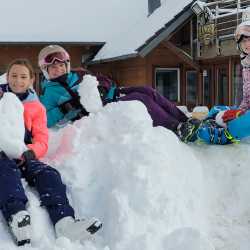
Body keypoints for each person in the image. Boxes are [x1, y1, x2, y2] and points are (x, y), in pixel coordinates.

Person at [0, 59, 102, 246]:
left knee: (48, 174)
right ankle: (16, 216)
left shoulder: (36, 107)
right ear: (7, 77)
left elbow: (41, 140)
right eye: (13, 76)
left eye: (23, 76)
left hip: (24, 153)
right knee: (5, 172)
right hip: (1, 154)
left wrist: (31, 152)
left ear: (31, 80)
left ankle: (64, 223)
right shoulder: (1, 98)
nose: (18, 81)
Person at [38, 45, 200, 143]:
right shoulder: (49, 92)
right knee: (140, 99)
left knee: (147, 90)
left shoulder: (78, 74)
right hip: (97, 111)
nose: (57, 70)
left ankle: (184, 120)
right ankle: (175, 128)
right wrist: (67, 107)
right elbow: (46, 120)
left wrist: (101, 88)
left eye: (60, 65)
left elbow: (103, 79)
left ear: (67, 65)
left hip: (111, 94)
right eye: (52, 68)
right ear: (46, 71)